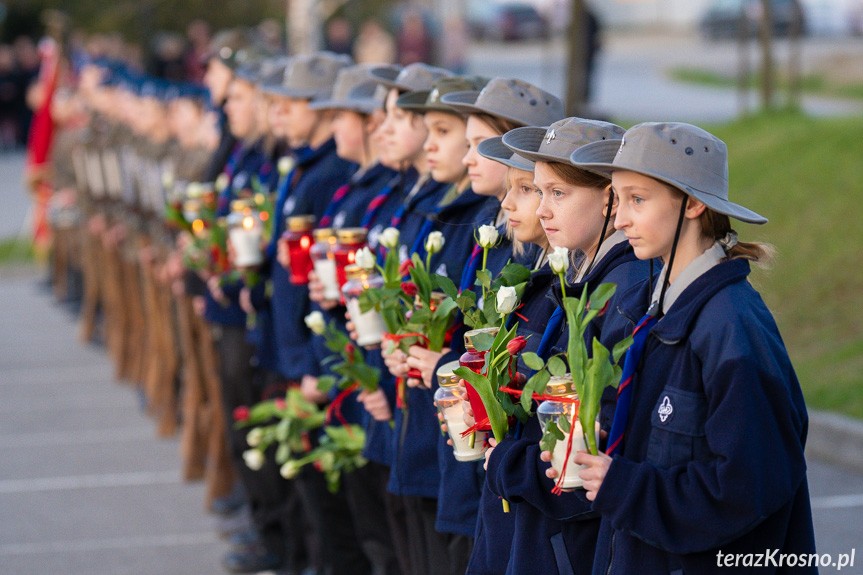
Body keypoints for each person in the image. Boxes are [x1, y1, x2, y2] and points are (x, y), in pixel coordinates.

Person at [568, 122, 817, 574]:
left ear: (694, 202)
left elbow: (749, 487)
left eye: (638, 200)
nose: (620, 219)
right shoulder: (654, 308)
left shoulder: (732, 325)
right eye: (618, 200)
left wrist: (625, 485)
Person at [479, 117, 649, 575]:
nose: (543, 210)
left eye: (558, 193)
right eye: (541, 191)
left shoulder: (623, 294)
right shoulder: (575, 275)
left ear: (609, 199)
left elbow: (598, 449)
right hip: (538, 532)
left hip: (571, 544)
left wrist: (510, 466)